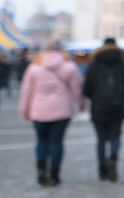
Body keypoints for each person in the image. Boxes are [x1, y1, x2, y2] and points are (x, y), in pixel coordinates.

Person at [18, 41, 86, 186]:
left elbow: (26, 92)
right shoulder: (69, 67)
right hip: (62, 111)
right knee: (57, 142)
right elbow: (77, 90)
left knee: (41, 141)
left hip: (39, 110)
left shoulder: (34, 67)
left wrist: (24, 110)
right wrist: (81, 105)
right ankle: (55, 175)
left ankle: (41, 173)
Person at [82, 37, 124, 183]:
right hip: (118, 106)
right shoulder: (122, 64)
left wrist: (95, 98)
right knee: (115, 137)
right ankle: (113, 158)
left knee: (100, 139)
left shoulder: (95, 64)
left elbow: (86, 88)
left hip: (98, 107)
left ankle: (102, 169)